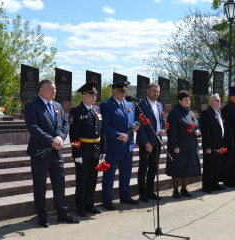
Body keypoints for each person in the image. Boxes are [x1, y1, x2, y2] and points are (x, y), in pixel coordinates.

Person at [24, 79, 79, 228]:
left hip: (57, 153)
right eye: (51, 89)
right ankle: (42, 216)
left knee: (59, 185)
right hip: (40, 153)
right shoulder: (32, 106)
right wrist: (52, 141)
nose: (54, 91)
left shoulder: (57, 106)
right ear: (41, 90)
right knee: (40, 187)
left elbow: (65, 124)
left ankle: (63, 213)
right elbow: (33, 128)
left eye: (55, 89)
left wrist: (61, 137)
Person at [69, 81, 107, 217]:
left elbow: (102, 133)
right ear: (83, 95)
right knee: (82, 181)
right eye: (91, 94)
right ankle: (80, 207)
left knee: (92, 180)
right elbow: (74, 136)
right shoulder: (76, 111)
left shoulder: (97, 110)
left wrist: (103, 151)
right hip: (83, 152)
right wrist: (76, 153)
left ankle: (90, 205)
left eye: (95, 94)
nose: (94, 97)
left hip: (95, 152)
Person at [100, 81, 139, 210]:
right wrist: (117, 134)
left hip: (128, 145)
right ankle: (107, 199)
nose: (123, 94)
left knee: (126, 172)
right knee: (109, 174)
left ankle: (125, 196)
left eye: (125, 92)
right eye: (120, 91)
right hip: (114, 145)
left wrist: (136, 124)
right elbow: (104, 125)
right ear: (113, 92)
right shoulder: (106, 105)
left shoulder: (129, 104)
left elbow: (134, 119)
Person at [166, 90, 201, 198]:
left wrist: (198, 131)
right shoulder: (174, 113)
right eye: (185, 100)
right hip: (179, 147)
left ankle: (184, 189)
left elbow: (196, 125)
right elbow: (171, 132)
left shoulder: (190, 113)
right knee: (177, 169)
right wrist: (175, 146)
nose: (188, 102)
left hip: (190, 146)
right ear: (179, 101)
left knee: (187, 169)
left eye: (189, 100)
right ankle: (175, 190)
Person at [135, 83, 166, 202]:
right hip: (146, 142)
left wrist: (163, 129)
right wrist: (146, 142)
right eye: (154, 91)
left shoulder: (159, 105)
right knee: (143, 168)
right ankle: (142, 193)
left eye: (157, 91)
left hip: (157, 140)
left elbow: (162, 121)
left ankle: (150, 191)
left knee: (154, 167)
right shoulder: (141, 105)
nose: (156, 93)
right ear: (148, 92)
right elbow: (140, 126)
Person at [199, 94, 226, 193]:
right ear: (210, 102)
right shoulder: (206, 113)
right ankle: (207, 186)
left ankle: (215, 184)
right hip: (211, 145)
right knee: (209, 167)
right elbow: (205, 132)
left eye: (219, 100)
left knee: (217, 166)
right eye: (217, 100)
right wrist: (207, 146)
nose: (219, 102)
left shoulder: (219, 113)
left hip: (219, 144)